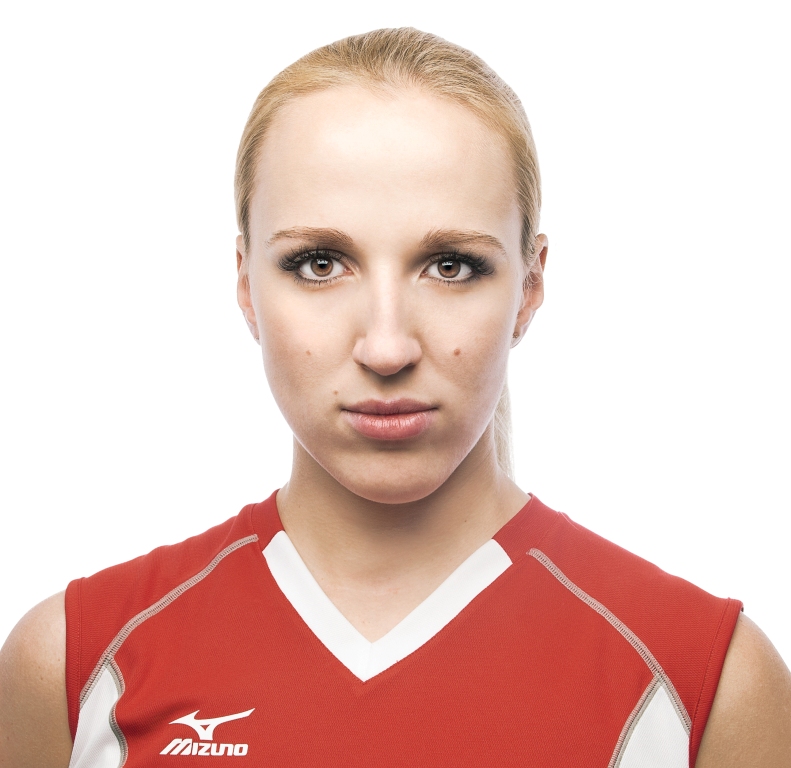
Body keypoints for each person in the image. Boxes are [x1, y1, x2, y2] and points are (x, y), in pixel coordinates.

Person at [0, 27, 789, 768]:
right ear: (245, 284)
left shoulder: (703, 682)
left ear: (529, 286)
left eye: (450, 266)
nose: (385, 347)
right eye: (318, 263)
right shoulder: (75, 663)